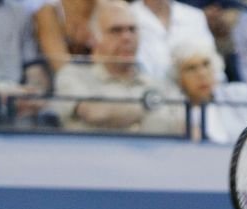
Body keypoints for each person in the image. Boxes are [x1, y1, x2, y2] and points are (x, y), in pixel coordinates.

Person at [52, 0, 182, 133]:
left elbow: (184, 125)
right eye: (116, 30)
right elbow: (95, 112)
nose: (127, 37)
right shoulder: (73, 76)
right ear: (95, 39)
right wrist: (151, 105)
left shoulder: (158, 83)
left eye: (132, 30)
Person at [171, 40, 247, 141]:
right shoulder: (175, 113)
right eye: (191, 68)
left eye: (206, 64)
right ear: (179, 79)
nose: (202, 74)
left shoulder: (238, 94)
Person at [131, 0, 216, 84]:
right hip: (147, 92)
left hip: (197, 94)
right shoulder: (129, 17)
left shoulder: (195, 16)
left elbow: (213, 65)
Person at [34, 0, 96, 74]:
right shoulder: (48, 11)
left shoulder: (104, 7)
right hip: (62, 78)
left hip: (101, 76)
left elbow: (109, 58)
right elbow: (61, 65)